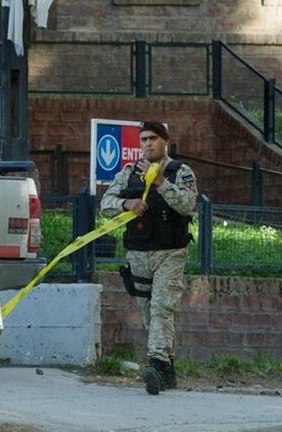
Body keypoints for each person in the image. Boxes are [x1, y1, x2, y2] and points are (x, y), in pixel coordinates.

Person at [101, 121, 197, 395]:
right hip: (139, 252)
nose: (147, 144)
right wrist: (126, 204)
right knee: (148, 313)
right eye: (143, 139)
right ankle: (167, 368)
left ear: (165, 140)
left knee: (162, 308)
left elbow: (189, 205)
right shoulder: (129, 172)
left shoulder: (180, 172)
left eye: (153, 138)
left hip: (171, 252)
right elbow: (105, 204)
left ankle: (154, 364)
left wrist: (161, 184)